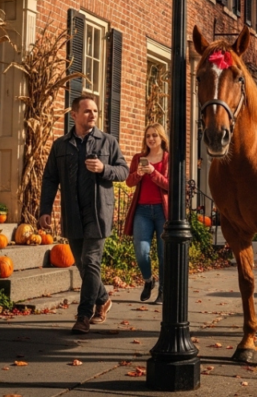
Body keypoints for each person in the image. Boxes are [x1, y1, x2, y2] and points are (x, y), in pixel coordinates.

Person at [40, 95, 128, 334]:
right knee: (82, 265)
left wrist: (104, 169)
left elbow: (124, 171)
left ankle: (83, 315)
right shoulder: (60, 145)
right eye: (87, 111)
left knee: (91, 261)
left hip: (98, 213)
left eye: (96, 111)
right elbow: (50, 179)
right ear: (74, 115)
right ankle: (104, 298)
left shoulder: (108, 142)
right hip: (72, 213)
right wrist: (45, 210)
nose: (93, 115)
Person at [124, 123, 170, 303]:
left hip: (162, 211)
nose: (151, 139)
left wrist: (153, 173)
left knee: (163, 253)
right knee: (142, 251)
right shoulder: (139, 158)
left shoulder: (168, 158)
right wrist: (139, 174)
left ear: (161, 138)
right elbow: (129, 182)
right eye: (148, 136)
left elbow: (170, 185)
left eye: (155, 135)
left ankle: (164, 291)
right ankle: (149, 280)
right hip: (142, 211)